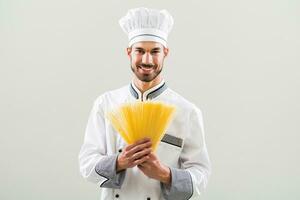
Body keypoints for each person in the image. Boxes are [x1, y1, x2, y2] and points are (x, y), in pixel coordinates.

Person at [78, 7, 211, 200]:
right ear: (129, 52)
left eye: (155, 51)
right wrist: (119, 162)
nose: (147, 60)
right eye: (140, 51)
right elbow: (87, 164)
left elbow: (201, 173)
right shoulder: (106, 103)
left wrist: (164, 173)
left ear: (165, 52)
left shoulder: (187, 111)